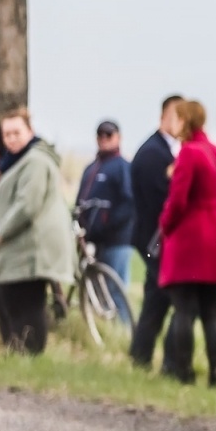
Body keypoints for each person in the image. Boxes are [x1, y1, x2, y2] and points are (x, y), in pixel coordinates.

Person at [0, 108, 74, 353]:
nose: (11, 138)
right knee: (13, 300)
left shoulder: (34, 161)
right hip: (21, 246)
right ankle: (20, 350)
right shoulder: (18, 160)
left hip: (31, 247)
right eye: (7, 134)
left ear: (30, 132)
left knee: (27, 304)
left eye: (16, 132)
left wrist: (1, 231)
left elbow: (27, 204)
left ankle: (30, 353)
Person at [158, 100, 216, 385]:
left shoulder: (188, 153)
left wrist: (164, 226)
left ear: (184, 121)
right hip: (214, 236)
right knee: (211, 312)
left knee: (184, 310)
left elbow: (177, 201)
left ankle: (184, 371)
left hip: (188, 239)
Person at [129, 96, 182, 368]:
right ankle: (156, 359)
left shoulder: (164, 150)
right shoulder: (153, 154)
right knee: (166, 301)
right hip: (155, 241)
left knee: (156, 301)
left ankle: (141, 356)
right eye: (177, 115)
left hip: (156, 241)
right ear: (163, 117)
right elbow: (159, 201)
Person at [76, 119, 136, 325]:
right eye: (100, 135)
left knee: (116, 290)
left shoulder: (123, 167)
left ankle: (126, 334)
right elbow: (80, 201)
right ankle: (104, 333)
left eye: (109, 135)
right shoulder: (91, 168)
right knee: (96, 290)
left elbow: (129, 203)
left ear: (118, 137)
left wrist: (107, 225)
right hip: (93, 241)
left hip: (116, 240)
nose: (104, 139)